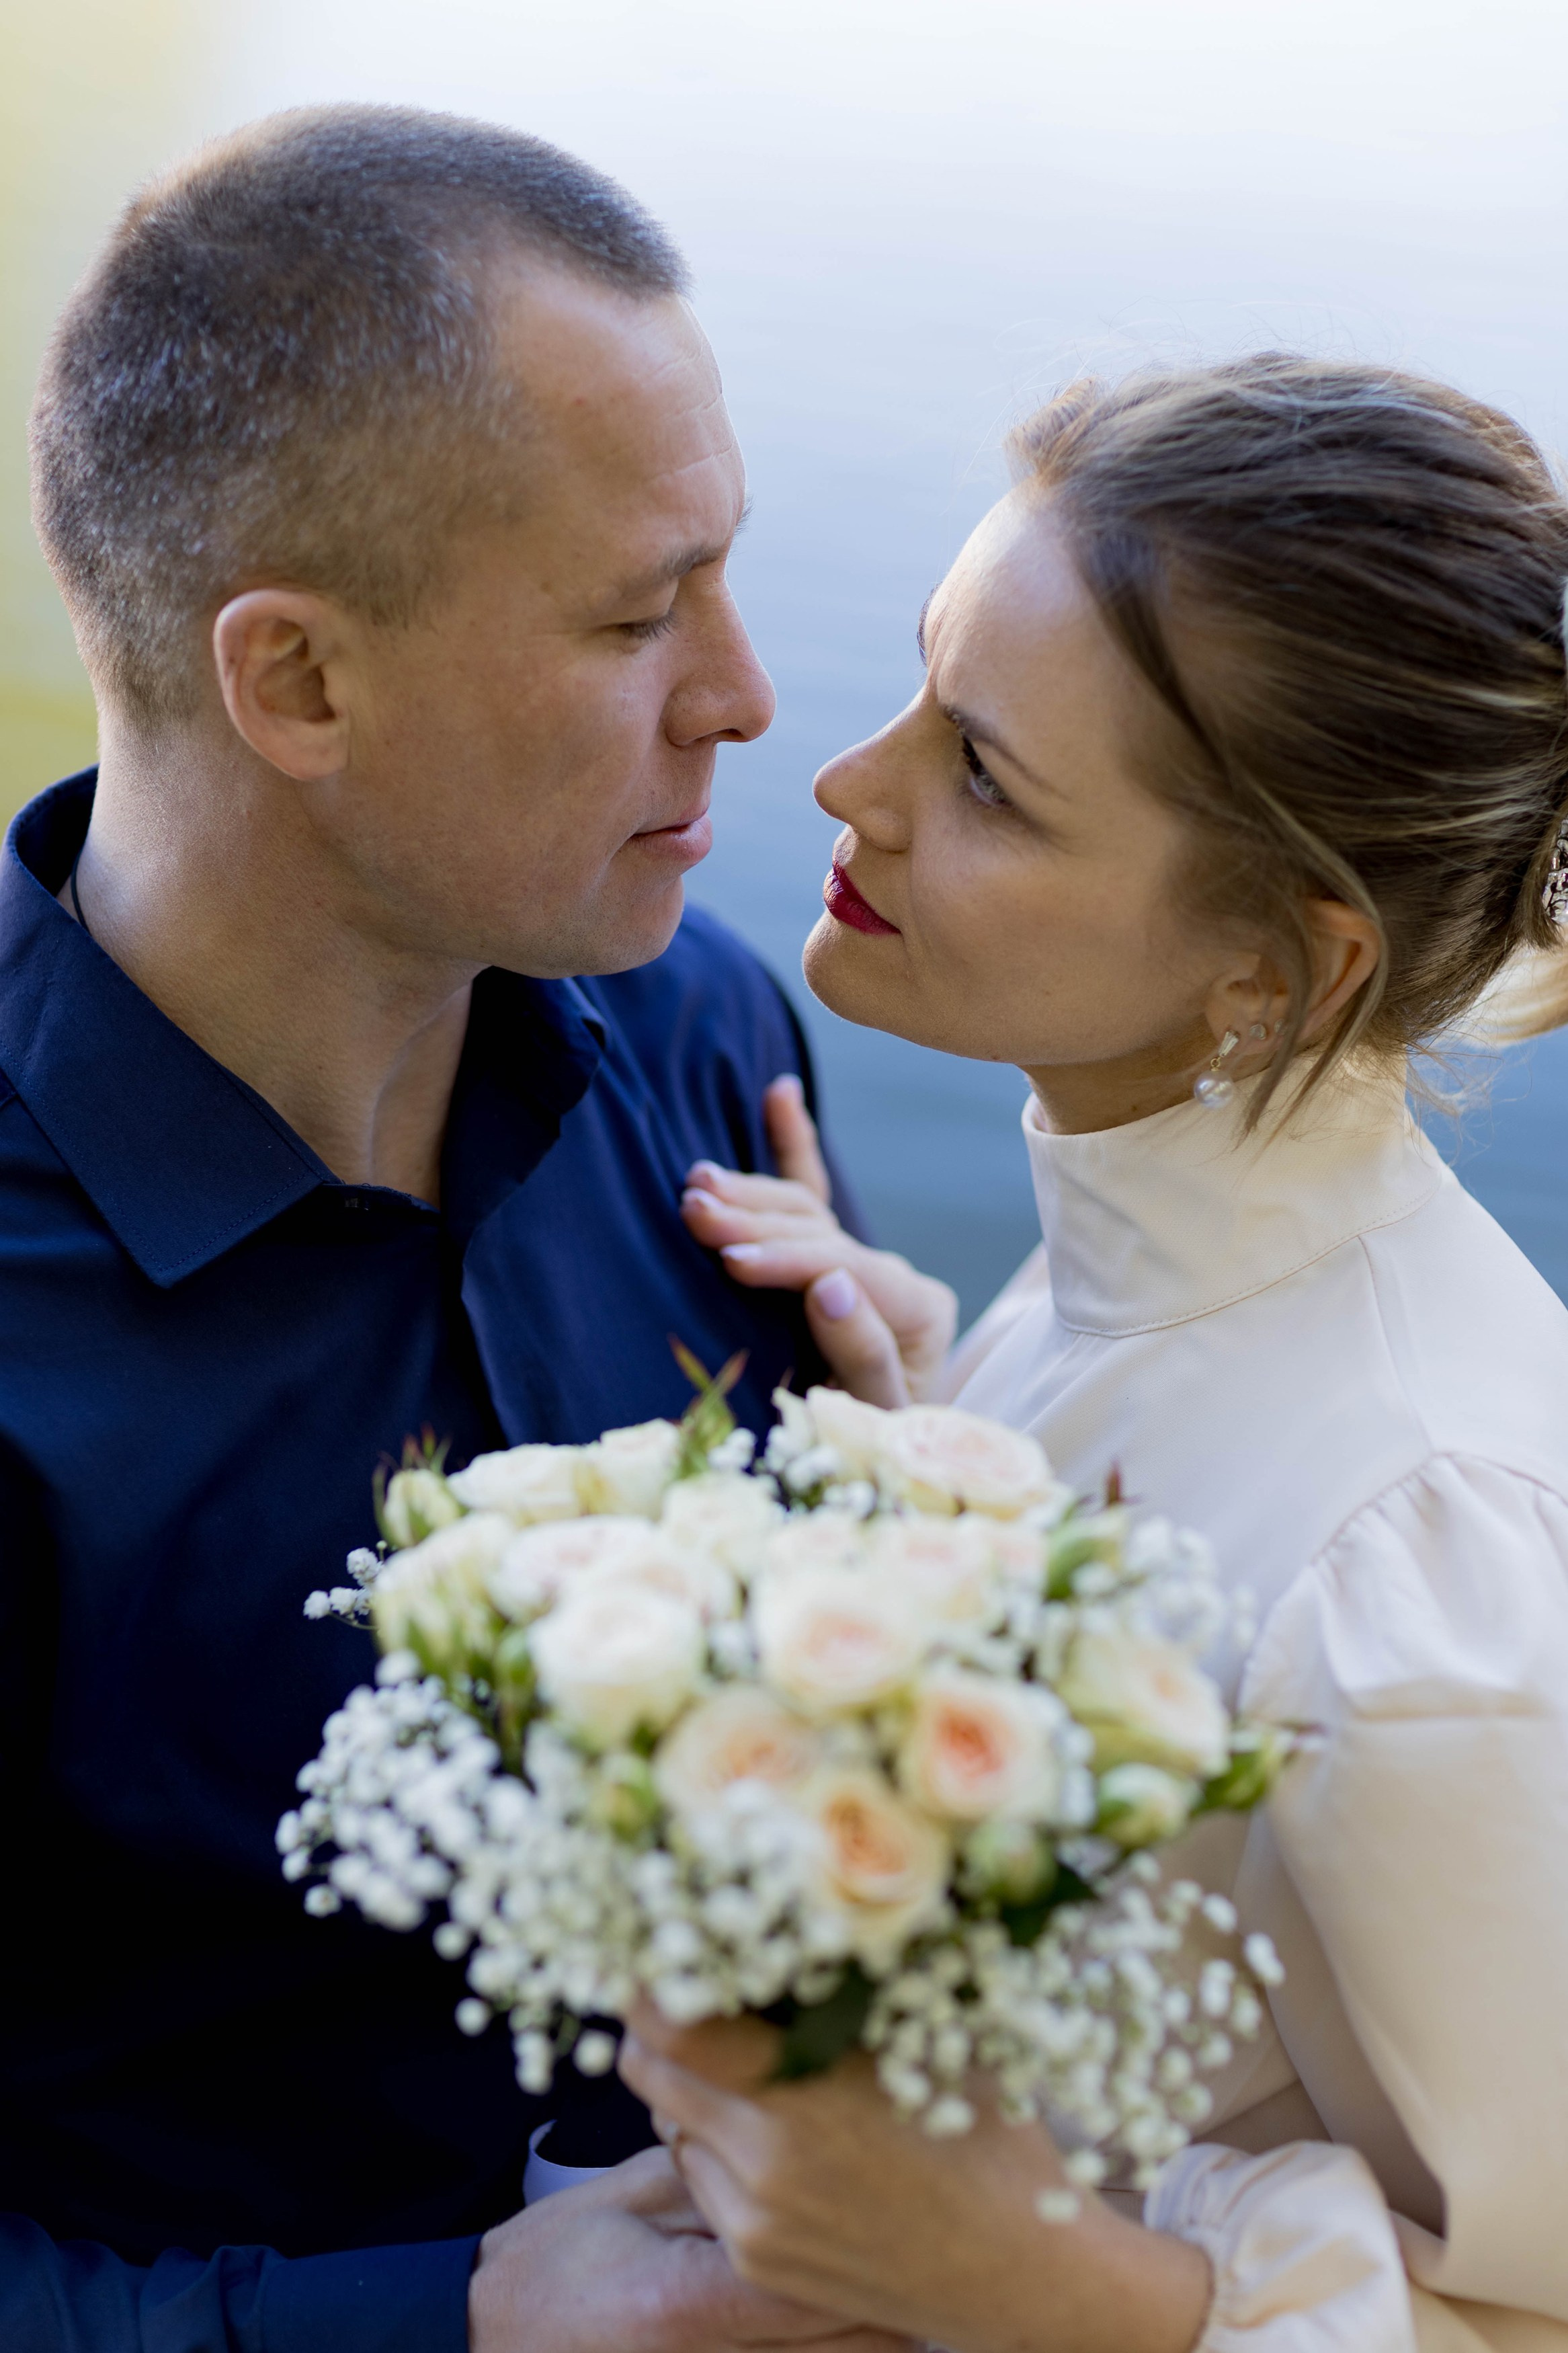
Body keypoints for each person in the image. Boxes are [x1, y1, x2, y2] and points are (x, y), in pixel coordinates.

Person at [0, 104, 910, 2353]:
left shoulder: (699, 1023)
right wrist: (454, 2327)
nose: (746, 694)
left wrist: (931, 1492)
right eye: (636, 612)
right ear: (294, 680)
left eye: (721, 564)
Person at [649, 356, 1568, 2351]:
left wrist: (1040, 2282)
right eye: (916, 676)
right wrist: (931, 1429)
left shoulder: (1433, 1563)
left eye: (983, 774)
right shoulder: (1118, 1263)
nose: (846, 783)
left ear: (1280, 965)